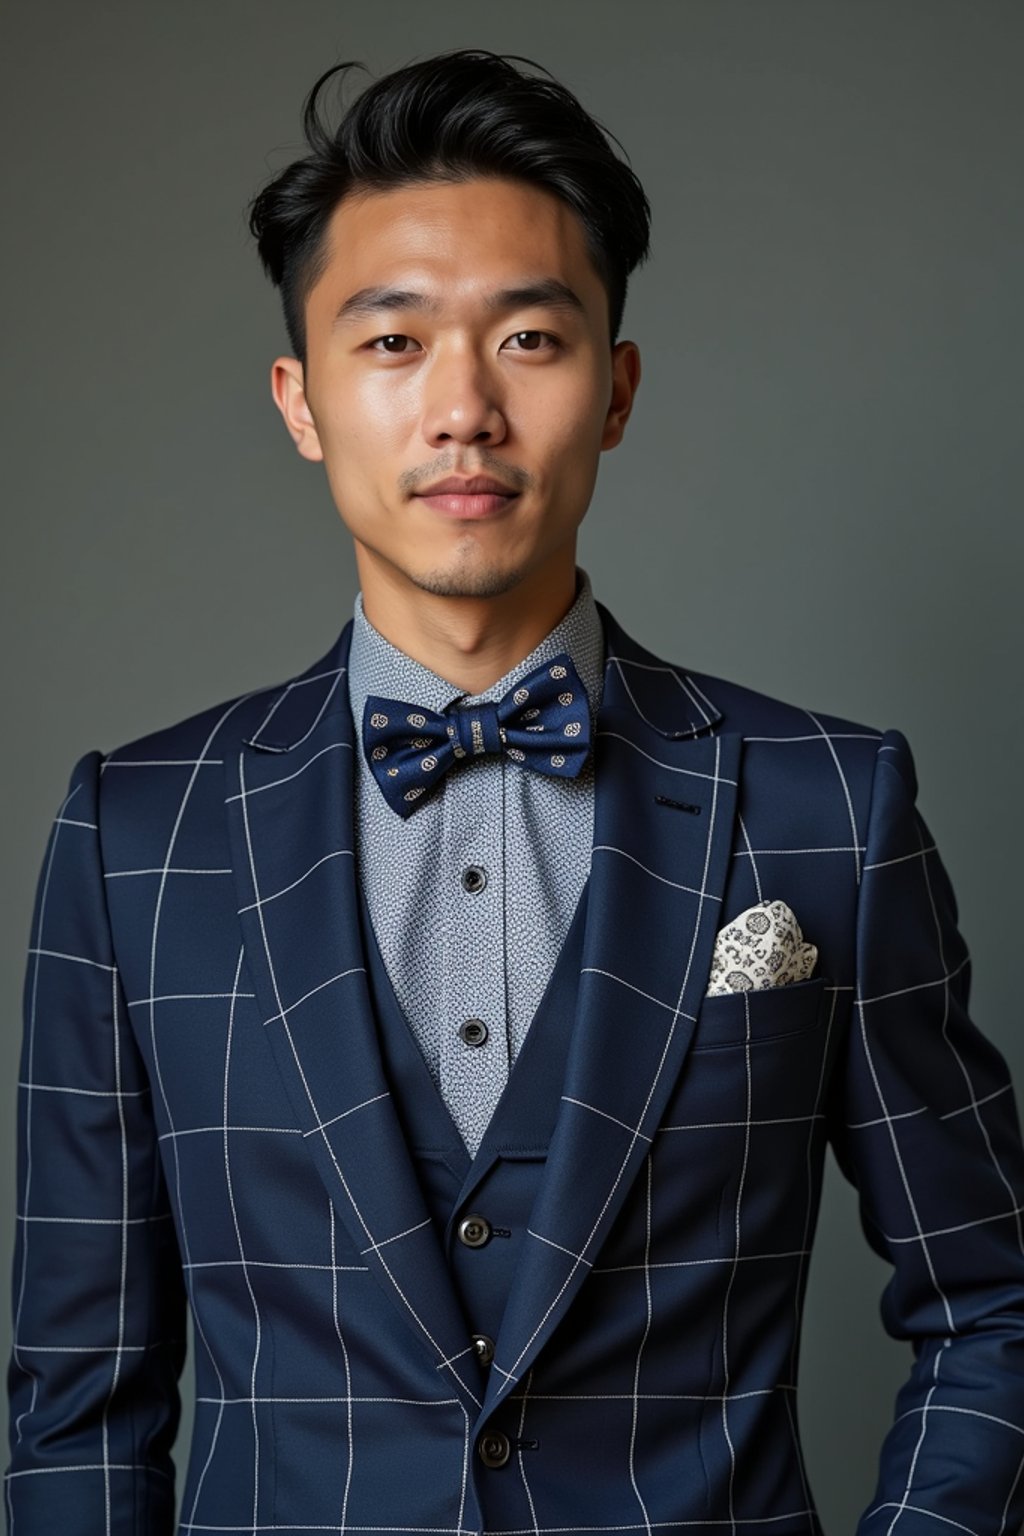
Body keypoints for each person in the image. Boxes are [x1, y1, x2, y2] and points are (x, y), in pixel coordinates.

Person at [6, 46, 1024, 1536]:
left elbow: (994, 1295)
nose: (464, 409)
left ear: (613, 390)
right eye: (394, 343)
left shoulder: (826, 808)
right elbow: (77, 1405)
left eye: (530, 341)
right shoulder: (136, 837)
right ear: (301, 400)